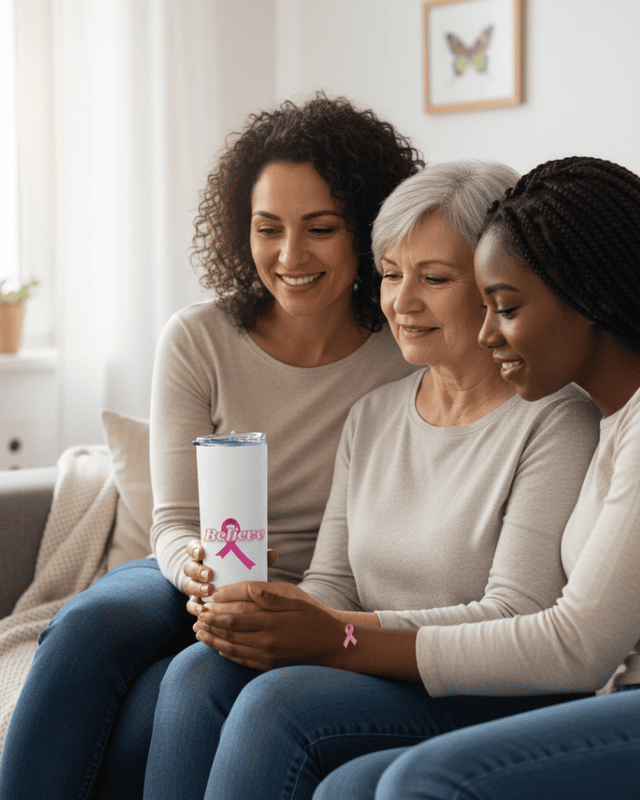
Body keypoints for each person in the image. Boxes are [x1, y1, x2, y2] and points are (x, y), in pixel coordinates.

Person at [0, 93, 425, 799]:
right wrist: (191, 566)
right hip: (202, 567)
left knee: (158, 706)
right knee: (89, 623)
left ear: (369, 231)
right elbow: (172, 521)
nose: (290, 256)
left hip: (328, 586)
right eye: (268, 228)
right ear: (241, 228)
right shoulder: (199, 338)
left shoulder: (405, 346)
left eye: (320, 228)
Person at [139, 161, 602, 800]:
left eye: (434, 278)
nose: (401, 302)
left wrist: (341, 636)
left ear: (498, 282)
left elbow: (514, 613)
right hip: (367, 665)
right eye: (389, 273)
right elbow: (334, 584)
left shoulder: (556, 419)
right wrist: (272, 608)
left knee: (280, 702)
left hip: (482, 689)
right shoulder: (374, 416)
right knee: (199, 670)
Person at [312, 155, 640, 800]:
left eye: (507, 307)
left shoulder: (579, 423)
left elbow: (576, 644)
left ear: (588, 298)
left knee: (419, 778)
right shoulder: (612, 421)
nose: (490, 333)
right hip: (602, 697)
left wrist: (341, 640)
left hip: (605, 694)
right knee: (346, 789)